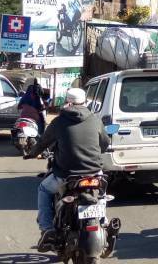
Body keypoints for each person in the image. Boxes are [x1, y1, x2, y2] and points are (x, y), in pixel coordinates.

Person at [25, 88, 109, 250]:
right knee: (102, 194)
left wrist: (31, 153)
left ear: (68, 102)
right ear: (85, 102)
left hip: (66, 175)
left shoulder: (59, 121)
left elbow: (43, 143)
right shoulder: (95, 119)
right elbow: (104, 144)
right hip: (94, 173)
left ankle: (47, 229)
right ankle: (103, 221)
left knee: (43, 189)